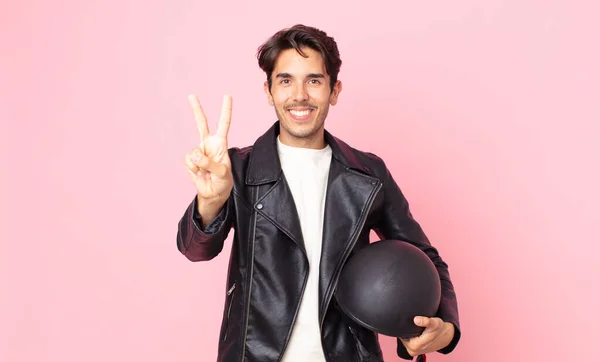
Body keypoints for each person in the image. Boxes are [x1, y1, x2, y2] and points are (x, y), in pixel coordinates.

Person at [177, 24, 461, 362]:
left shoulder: (369, 174)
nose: (299, 95)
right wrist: (210, 201)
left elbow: (425, 256)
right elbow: (195, 250)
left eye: (314, 80)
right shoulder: (237, 168)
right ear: (268, 91)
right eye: (285, 80)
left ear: (334, 90)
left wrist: (445, 327)